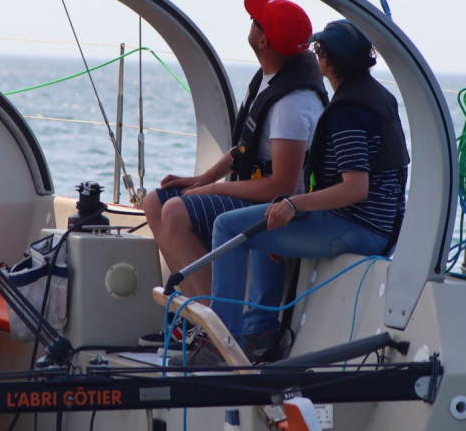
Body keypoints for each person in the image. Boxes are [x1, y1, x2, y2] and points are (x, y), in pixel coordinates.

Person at [176, 19, 410, 366]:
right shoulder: (378, 97)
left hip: (358, 229)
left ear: (328, 61)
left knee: (229, 226)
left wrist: (293, 203)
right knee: (266, 218)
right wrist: (289, 210)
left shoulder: (348, 112)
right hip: (382, 227)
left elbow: (356, 188)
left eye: (319, 51)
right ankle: (258, 333)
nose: (316, 57)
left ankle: (221, 344)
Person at [141, 0, 327, 348]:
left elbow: (284, 187)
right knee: (155, 202)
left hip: (281, 207)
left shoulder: (292, 104)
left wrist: (213, 190)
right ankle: (203, 319)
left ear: (261, 39)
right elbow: (246, 147)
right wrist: (204, 177)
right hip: (259, 190)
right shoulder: (269, 77)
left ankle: (221, 333)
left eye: (256, 20)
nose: (251, 21)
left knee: (178, 211)